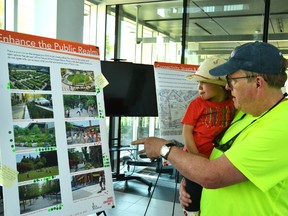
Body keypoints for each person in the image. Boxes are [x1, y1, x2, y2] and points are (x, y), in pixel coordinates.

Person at [132, 41, 288, 215]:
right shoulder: (246, 112)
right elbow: (217, 160)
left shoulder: (283, 125)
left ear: (258, 83)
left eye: (232, 80)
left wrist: (163, 148)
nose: (228, 87)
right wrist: (191, 176)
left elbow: (213, 175)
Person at [181, 57, 235, 216]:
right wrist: (195, 155)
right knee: (192, 199)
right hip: (195, 159)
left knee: (210, 193)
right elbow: (187, 131)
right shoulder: (197, 104)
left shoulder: (233, 104)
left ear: (220, 85)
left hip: (216, 163)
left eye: (203, 83)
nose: (199, 88)